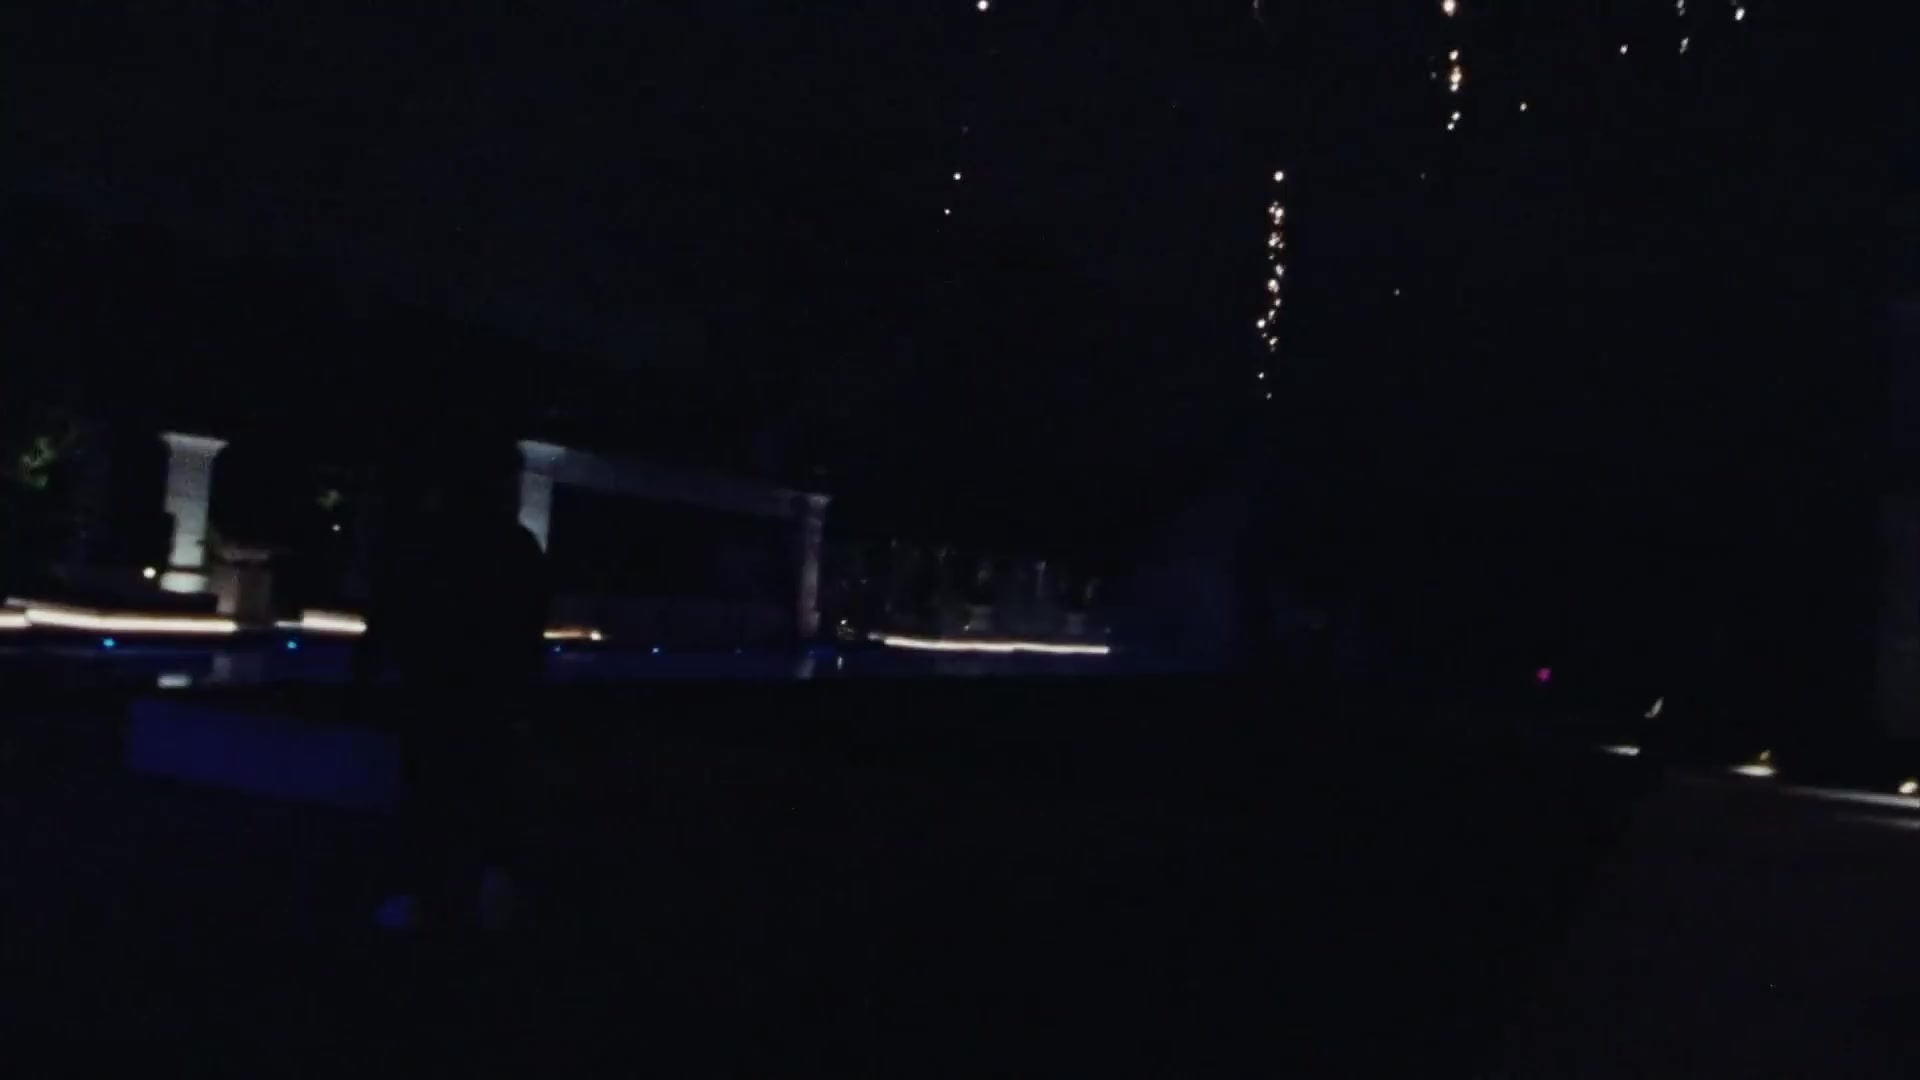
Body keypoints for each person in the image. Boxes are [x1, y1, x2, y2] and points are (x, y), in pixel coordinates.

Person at [364, 446, 548, 934]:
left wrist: (379, 667)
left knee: (433, 789)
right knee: (487, 789)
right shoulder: (515, 546)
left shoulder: (432, 540)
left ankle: (426, 893)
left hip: (439, 686)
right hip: (485, 689)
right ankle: (489, 889)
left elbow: (394, 609)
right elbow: (529, 629)